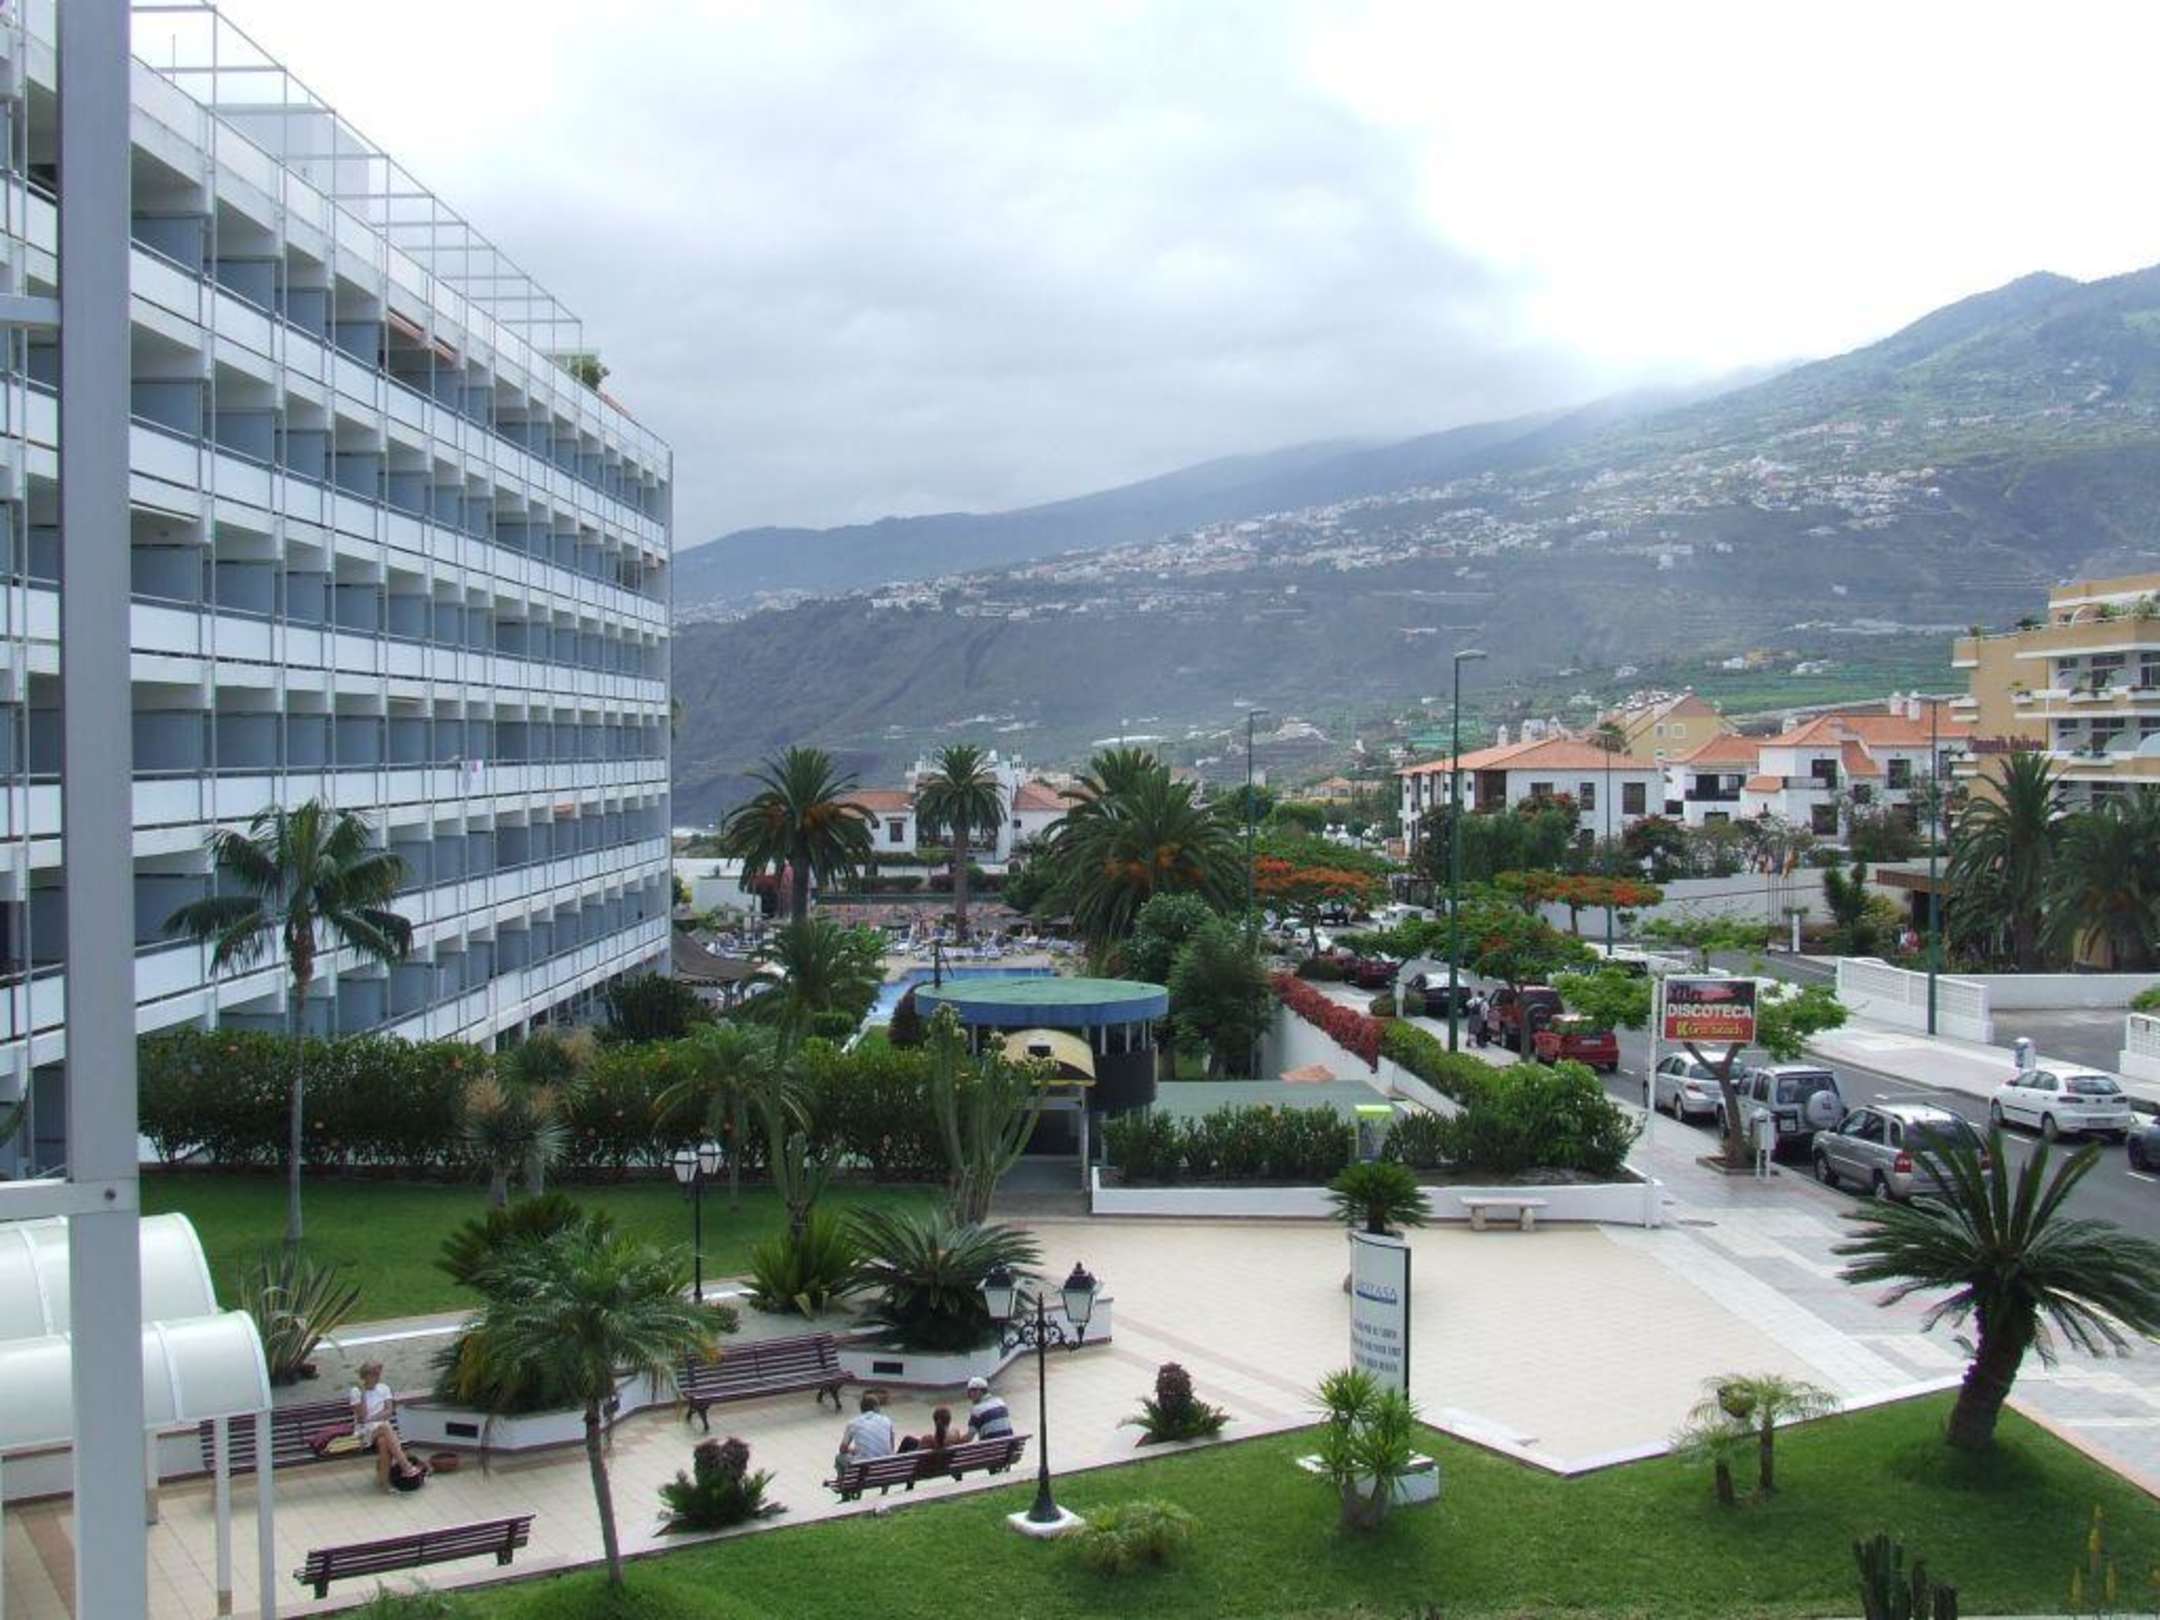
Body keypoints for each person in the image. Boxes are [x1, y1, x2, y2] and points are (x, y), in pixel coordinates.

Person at [349, 1360, 425, 1492]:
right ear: (365, 1376)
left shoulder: (384, 1388)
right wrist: (363, 1394)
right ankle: (406, 1466)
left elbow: (388, 1411)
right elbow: (361, 1418)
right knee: (385, 1427)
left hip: (382, 1430)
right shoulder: (356, 1391)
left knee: (384, 1442)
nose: (377, 1377)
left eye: (378, 1374)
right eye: (373, 1374)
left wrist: (371, 1419)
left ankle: (384, 1483)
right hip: (364, 1432)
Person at [835, 1391, 895, 1474]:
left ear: (861, 1409)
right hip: (886, 1466)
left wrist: (853, 1450)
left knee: (839, 1458)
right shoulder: (887, 1420)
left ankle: (844, 1481)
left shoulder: (853, 1423)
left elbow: (842, 1449)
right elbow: (891, 1448)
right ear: (875, 1407)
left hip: (865, 1469)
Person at [964, 1376, 1012, 1441]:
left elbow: (969, 1437)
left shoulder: (977, 1411)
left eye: (970, 1392)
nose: (969, 1396)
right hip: (1008, 1446)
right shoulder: (1001, 1403)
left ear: (978, 1391)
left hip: (991, 1447)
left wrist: (955, 1440)